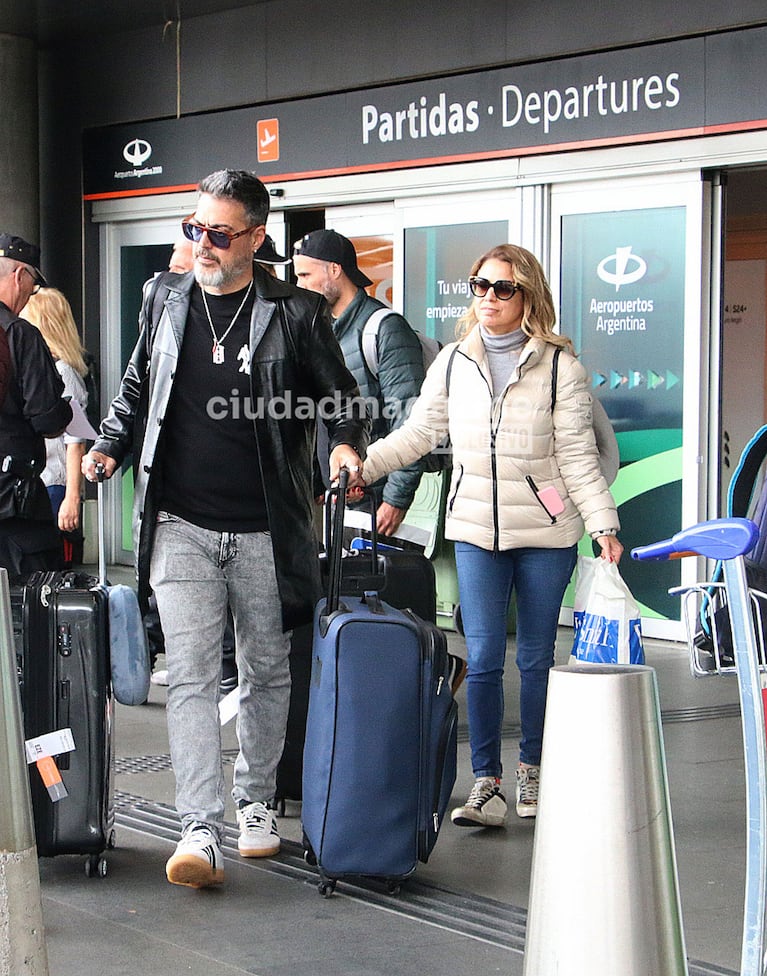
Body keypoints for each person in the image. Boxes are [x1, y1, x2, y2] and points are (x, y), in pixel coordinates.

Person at [82, 169, 368, 889]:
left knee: (267, 671)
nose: (201, 245)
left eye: (217, 233)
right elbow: (136, 387)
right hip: (179, 521)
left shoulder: (297, 312)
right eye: (193, 229)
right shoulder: (164, 297)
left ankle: (256, 802)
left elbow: (342, 398)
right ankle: (199, 826)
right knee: (192, 677)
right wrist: (109, 447)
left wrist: (342, 442)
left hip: (269, 527)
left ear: (255, 237)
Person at [347, 243, 623, 826]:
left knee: (537, 659)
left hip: (547, 533)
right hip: (475, 528)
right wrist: (366, 466)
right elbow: (419, 432)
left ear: (528, 296)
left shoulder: (559, 368)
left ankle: (533, 768)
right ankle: (486, 782)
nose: (489, 298)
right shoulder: (453, 361)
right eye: (480, 286)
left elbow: (577, 456)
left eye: (503, 288)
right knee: (484, 657)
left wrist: (603, 524)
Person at [293, 229, 425, 538]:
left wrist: (396, 500)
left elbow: (412, 423)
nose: (298, 286)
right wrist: (318, 482)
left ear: (334, 270)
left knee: (382, 586)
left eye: (304, 275)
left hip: (380, 506)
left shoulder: (385, 330)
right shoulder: (317, 333)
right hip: (338, 503)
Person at [0, 234, 73, 577]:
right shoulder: (19, 334)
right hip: (14, 508)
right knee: (28, 613)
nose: (31, 294)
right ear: (19, 276)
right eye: (32, 283)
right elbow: (47, 418)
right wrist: (66, 409)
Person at [23, 288, 89, 556]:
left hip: (54, 485)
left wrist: (72, 497)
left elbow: (76, 441)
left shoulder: (64, 374)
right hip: (40, 482)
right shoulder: (44, 370)